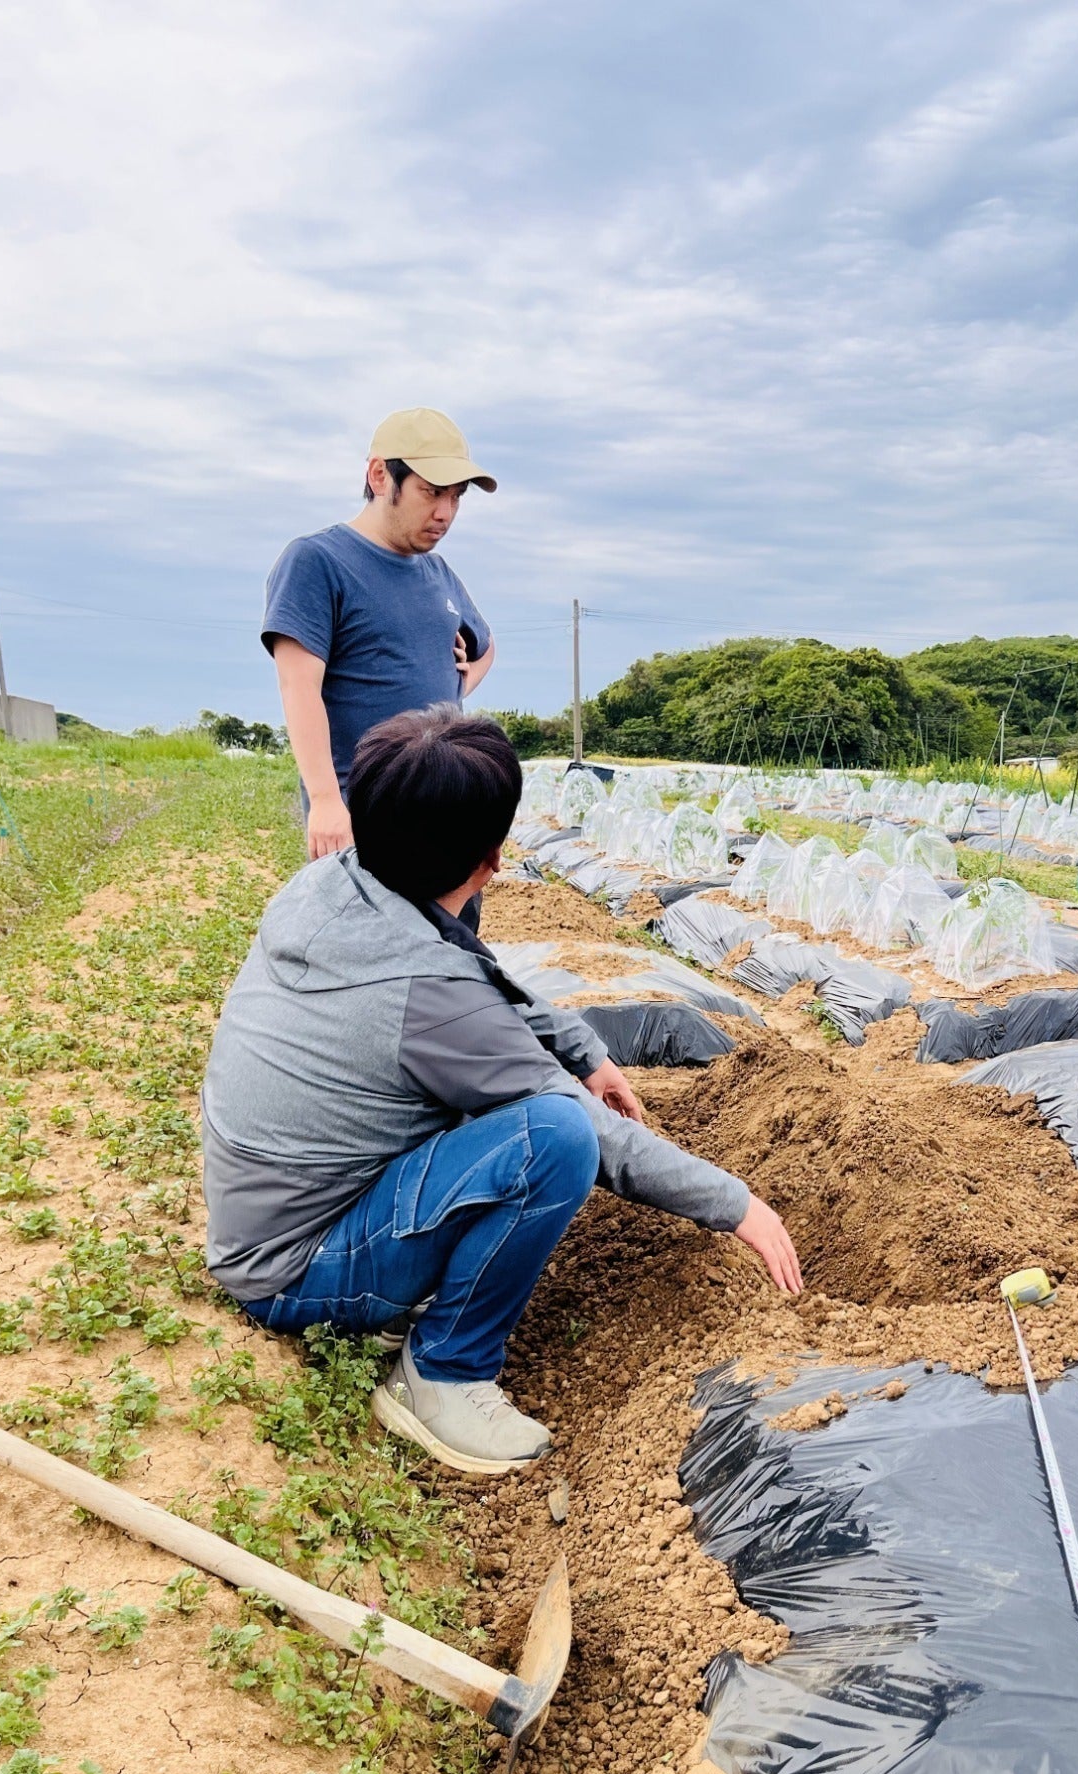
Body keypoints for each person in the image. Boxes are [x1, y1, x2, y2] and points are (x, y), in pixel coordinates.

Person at [200, 706, 802, 1476]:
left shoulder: (332, 882)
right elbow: (590, 1129)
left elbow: (469, 968)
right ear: (491, 859)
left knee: (504, 1104)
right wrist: (738, 1204)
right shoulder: (429, 1000)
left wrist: (583, 1048)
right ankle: (443, 1374)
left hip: (261, 1220)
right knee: (554, 1139)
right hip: (294, 1270)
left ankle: (402, 1301)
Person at [263, 408, 499, 861]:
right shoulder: (318, 561)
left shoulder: (438, 573)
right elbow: (298, 687)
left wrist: (458, 681)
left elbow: (486, 648)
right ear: (379, 476)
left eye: (456, 497)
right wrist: (326, 800)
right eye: (432, 492)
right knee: (367, 910)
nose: (445, 513)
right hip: (364, 813)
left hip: (446, 806)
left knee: (453, 911)